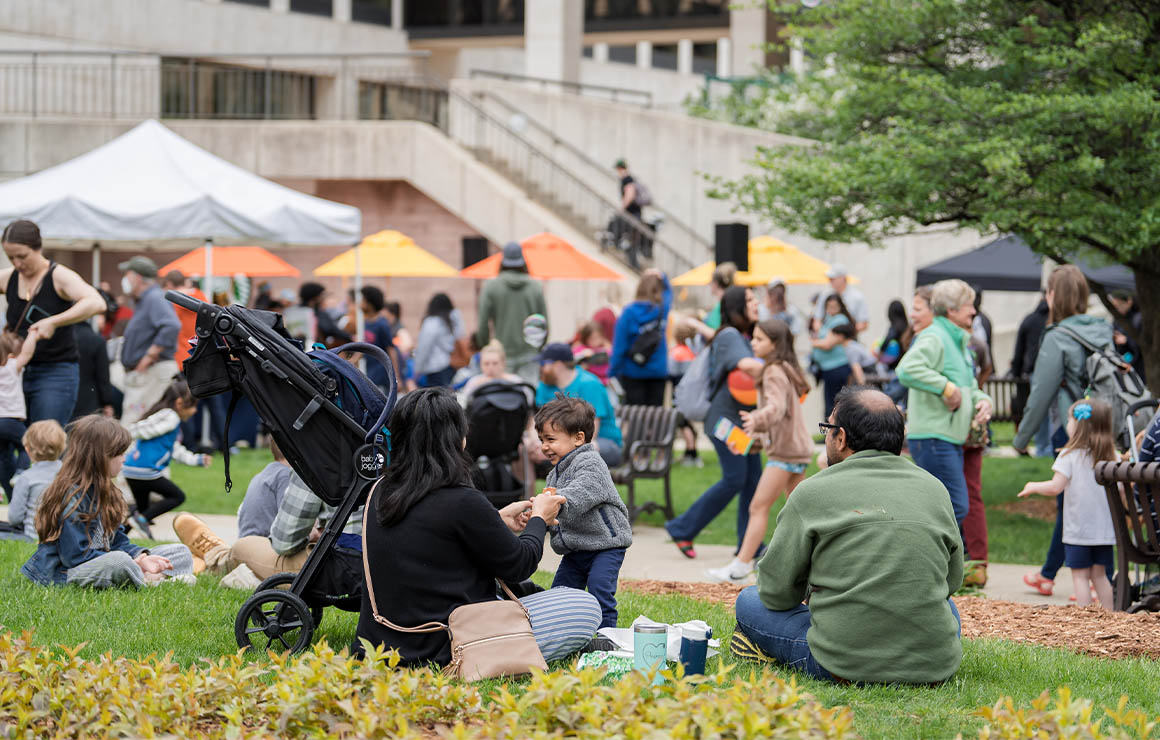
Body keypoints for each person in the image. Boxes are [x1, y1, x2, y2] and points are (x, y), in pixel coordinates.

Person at [730, 387, 963, 684]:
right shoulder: (935, 489)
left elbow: (775, 594)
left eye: (827, 428)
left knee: (749, 600)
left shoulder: (812, 492)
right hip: (934, 666)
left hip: (841, 665)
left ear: (841, 438)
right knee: (945, 605)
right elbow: (951, 581)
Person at [355, 387, 601, 666]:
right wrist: (539, 520)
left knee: (536, 594)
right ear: (457, 441)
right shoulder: (461, 500)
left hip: (381, 643)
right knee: (583, 606)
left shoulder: (379, 490)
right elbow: (520, 564)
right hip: (449, 644)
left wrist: (494, 519)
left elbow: (431, 537)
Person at [1014, 265, 1113, 597]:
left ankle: (1076, 577)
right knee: (1099, 499)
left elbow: (1041, 392)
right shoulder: (1103, 330)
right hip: (1104, 428)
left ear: (1055, 295)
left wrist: (1021, 437)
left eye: (1049, 290)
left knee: (1069, 503)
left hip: (1072, 429)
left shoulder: (1057, 336)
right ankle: (1092, 576)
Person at [20, 415, 194, 588]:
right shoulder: (71, 497)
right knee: (119, 562)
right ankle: (151, 582)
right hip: (67, 573)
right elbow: (74, 557)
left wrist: (141, 556)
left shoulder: (106, 491)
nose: (124, 459)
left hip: (105, 561)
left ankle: (146, 576)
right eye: (119, 454)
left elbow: (117, 541)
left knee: (181, 552)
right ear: (99, 457)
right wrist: (135, 563)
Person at [707, 318, 811, 583]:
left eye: (759, 339)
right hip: (793, 450)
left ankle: (741, 566)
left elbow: (775, 409)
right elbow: (782, 417)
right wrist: (752, 437)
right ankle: (806, 567)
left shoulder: (774, 371)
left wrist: (757, 419)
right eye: (753, 338)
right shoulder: (785, 368)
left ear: (774, 344)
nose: (752, 343)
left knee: (758, 506)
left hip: (785, 454)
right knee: (798, 513)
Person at [664, 286, 761, 559]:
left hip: (739, 421)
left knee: (752, 479)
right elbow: (747, 366)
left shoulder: (741, 335)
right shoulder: (731, 336)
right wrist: (783, 368)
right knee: (735, 478)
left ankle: (748, 543)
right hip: (724, 422)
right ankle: (683, 527)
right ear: (736, 307)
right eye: (750, 299)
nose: (757, 303)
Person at [896, 279, 993, 546]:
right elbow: (906, 369)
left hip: (946, 437)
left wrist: (983, 401)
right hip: (933, 438)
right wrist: (945, 388)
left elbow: (970, 386)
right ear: (951, 310)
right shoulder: (935, 336)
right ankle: (915, 556)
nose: (973, 311)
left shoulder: (956, 339)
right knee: (954, 506)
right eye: (968, 306)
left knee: (948, 508)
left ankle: (934, 566)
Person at [536, 396, 633, 629]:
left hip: (605, 545)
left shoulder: (590, 462)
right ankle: (564, 633)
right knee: (561, 594)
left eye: (550, 439)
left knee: (600, 587)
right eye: (541, 440)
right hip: (576, 549)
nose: (544, 446)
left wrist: (555, 502)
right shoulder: (555, 474)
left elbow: (583, 491)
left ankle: (606, 637)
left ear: (579, 438)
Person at [1, 220, 105, 427]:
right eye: (11, 257)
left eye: (22, 256)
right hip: (15, 371)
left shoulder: (59, 276)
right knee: (10, 439)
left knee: (45, 439)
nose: (17, 264)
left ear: (38, 248)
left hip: (55, 372)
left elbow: (96, 302)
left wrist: (55, 321)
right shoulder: (8, 277)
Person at [1018, 399, 1118, 608]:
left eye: (1070, 419)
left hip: (1078, 531)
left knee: (1080, 577)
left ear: (1079, 426)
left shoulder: (1069, 455)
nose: (1068, 424)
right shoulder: (1112, 456)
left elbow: (1056, 487)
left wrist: (1033, 486)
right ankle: (1112, 617)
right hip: (1104, 531)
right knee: (1100, 576)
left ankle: (1085, 619)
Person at [173, 440, 292, 579]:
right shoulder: (286, 475)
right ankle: (216, 558)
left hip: (250, 543)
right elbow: (288, 523)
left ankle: (216, 556)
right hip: (264, 547)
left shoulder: (265, 473)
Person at [122, 377, 211, 538]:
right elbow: (145, 428)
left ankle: (119, 536)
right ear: (179, 403)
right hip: (145, 470)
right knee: (177, 496)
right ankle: (142, 519)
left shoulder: (169, 421)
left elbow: (173, 449)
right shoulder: (170, 416)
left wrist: (196, 459)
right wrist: (126, 433)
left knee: (141, 510)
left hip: (131, 470)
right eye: (193, 406)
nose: (195, 411)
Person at [535, 343, 623, 467]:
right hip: (562, 442)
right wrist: (535, 444)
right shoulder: (544, 385)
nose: (540, 368)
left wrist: (559, 447)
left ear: (558, 365)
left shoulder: (589, 384)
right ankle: (526, 487)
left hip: (603, 442)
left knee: (582, 451)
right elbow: (538, 422)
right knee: (525, 449)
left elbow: (591, 431)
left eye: (543, 364)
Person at [118, 257, 181, 426]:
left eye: (127, 274)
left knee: (133, 425)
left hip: (152, 371)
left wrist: (148, 357)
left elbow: (171, 326)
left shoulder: (154, 298)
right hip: (148, 373)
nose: (124, 279)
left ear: (137, 278)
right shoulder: (146, 300)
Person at [477, 242, 549, 385]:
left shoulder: (491, 286)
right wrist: (538, 349)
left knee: (502, 397)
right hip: (530, 352)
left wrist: (487, 348)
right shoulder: (535, 286)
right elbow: (544, 322)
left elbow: (483, 323)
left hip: (501, 354)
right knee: (528, 395)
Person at [610, 269, 672, 406]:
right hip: (658, 372)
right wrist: (662, 276)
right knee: (655, 417)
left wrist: (612, 372)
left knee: (634, 416)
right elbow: (669, 293)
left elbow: (619, 346)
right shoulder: (662, 310)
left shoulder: (629, 312)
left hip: (633, 372)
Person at [4, 420, 66, 542]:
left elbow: (15, 517)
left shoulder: (26, 478)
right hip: (65, 537)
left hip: (33, 537)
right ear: (62, 447)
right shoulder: (69, 473)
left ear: (27, 450)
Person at [1009, 295, 1052, 457]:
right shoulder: (1054, 320)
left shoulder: (1030, 319)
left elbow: (1019, 348)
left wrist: (1016, 371)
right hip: (1056, 371)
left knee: (1039, 409)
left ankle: (1042, 447)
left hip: (1035, 370)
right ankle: (1050, 447)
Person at [0, 329, 39, 498]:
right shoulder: (11, 367)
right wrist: (33, 335)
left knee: (2, 457)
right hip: (11, 419)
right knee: (27, 446)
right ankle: (21, 472)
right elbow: (27, 353)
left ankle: (7, 487)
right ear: (9, 355)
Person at [810, 294, 855, 418]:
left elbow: (828, 344)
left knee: (835, 404)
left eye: (834, 306)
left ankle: (835, 432)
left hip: (837, 367)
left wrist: (814, 343)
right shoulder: (829, 320)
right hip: (828, 368)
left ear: (840, 306)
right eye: (829, 307)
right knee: (830, 403)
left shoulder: (840, 320)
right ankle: (829, 431)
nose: (831, 309)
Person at [413, 293, 466, 388]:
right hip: (451, 365)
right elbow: (460, 336)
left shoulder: (432, 322)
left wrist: (418, 369)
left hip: (435, 368)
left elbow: (424, 347)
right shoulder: (453, 319)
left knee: (434, 399)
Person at [71, 310, 116, 420]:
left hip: (65, 393)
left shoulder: (64, 337)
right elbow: (103, 376)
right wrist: (107, 402)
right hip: (89, 399)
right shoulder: (97, 340)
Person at [358, 285, 402, 392]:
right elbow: (365, 347)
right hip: (371, 373)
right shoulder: (366, 323)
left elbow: (391, 349)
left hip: (382, 375)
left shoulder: (382, 324)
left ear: (370, 303)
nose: (360, 303)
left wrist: (396, 377)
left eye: (363, 300)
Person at [162, 270, 207, 369]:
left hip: (180, 356)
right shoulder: (200, 296)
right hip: (201, 352)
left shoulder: (171, 303)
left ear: (169, 284)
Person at [810, 264, 869, 335]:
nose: (830, 281)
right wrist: (825, 335)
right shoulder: (824, 295)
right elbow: (817, 320)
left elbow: (863, 323)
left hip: (848, 340)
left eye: (833, 279)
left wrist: (843, 334)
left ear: (843, 278)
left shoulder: (857, 297)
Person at [299, 282, 352, 347]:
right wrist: (350, 338)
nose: (323, 298)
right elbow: (330, 329)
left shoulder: (294, 311)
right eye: (322, 295)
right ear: (315, 297)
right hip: (315, 349)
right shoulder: (316, 313)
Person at [1109, 290, 1145, 383]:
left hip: (1142, 365)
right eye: (1114, 306)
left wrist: (1127, 340)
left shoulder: (1139, 318)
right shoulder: (1117, 321)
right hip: (1127, 364)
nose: (1117, 309)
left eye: (1119, 305)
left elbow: (1145, 345)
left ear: (1128, 301)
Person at [701, 262, 736, 333]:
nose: (709, 284)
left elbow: (714, 333)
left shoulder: (723, 305)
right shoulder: (727, 302)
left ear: (716, 283)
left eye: (711, 281)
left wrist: (694, 323)